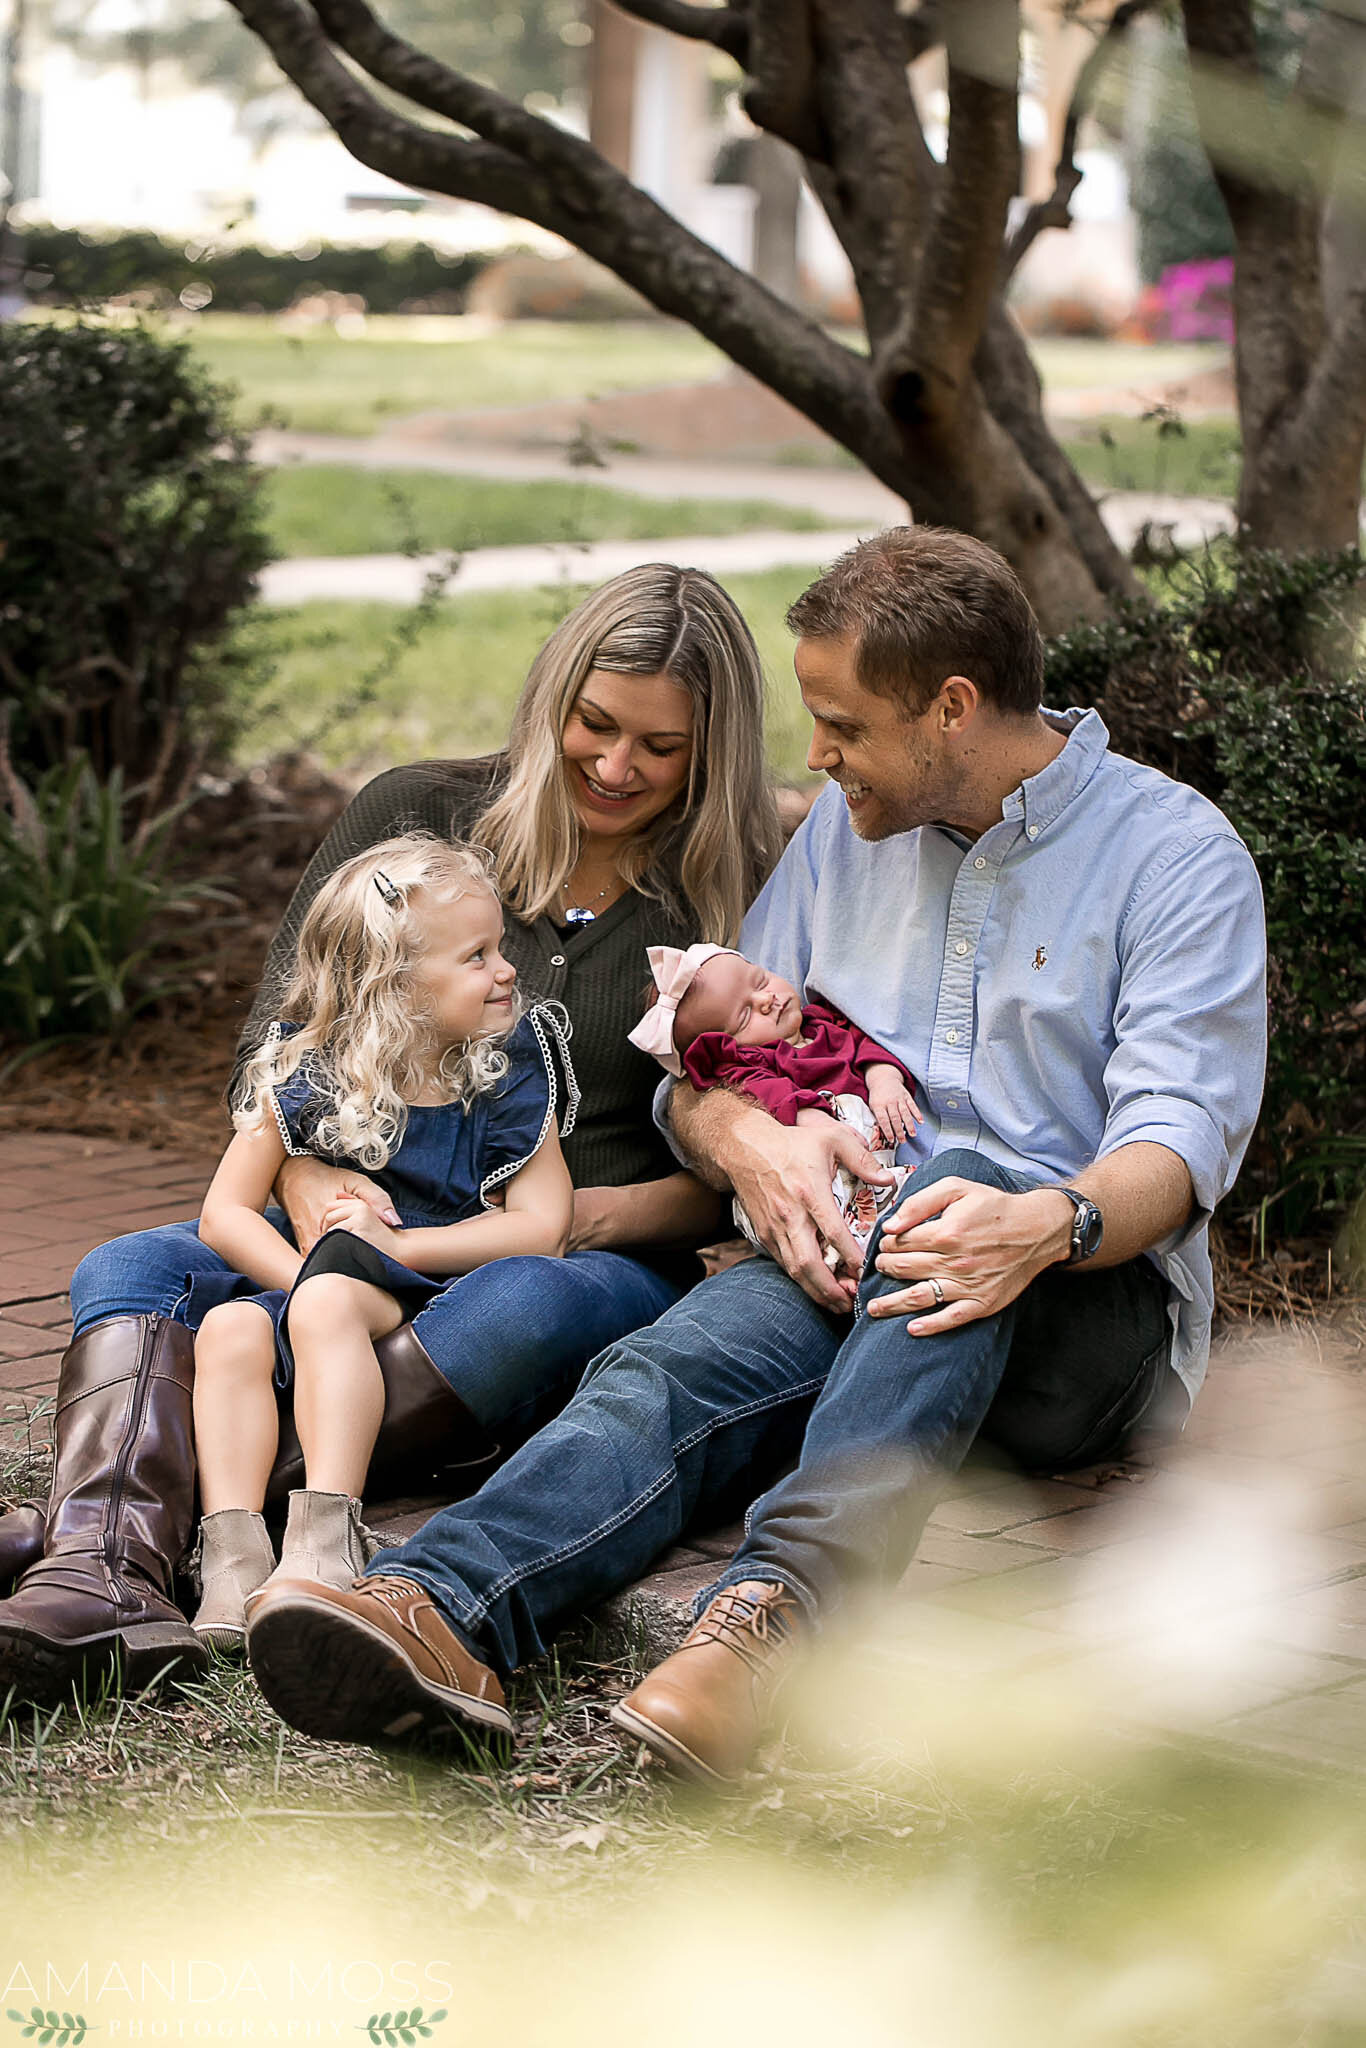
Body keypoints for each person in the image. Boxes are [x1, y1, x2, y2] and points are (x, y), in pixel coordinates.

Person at [242, 526, 1267, 1778]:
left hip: (1077, 1301)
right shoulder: (848, 835)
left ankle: (767, 1624)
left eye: (839, 722)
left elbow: (1179, 1141)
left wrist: (1043, 1224)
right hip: (850, 1258)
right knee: (661, 1375)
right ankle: (435, 1606)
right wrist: (743, 1138)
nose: (815, 753)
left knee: (964, 1188)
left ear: (949, 708)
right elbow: (698, 1064)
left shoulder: (1174, 857)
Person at [0, 564, 779, 1705]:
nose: (616, 768)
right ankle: (101, 1570)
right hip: (353, 1229)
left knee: (524, 1303)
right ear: (550, 697)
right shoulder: (414, 817)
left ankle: (206, 1514)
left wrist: (565, 1222)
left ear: (711, 751)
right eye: (594, 725)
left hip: (580, 1256)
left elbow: (741, 1156)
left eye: (660, 749)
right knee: (132, 1266)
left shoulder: (735, 895)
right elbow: (282, 1034)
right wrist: (315, 1186)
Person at [188, 834, 576, 1652]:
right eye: (478, 955)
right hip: (331, 1286)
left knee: (328, 1302)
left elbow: (544, 1226)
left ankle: (326, 1539)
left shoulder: (504, 1064)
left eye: (498, 947)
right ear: (393, 988)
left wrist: (388, 1253)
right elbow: (223, 1214)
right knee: (229, 1328)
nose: (507, 968)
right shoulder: (306, 1064)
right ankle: (230, 1553)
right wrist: (307, 1284)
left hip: (442, 1284)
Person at [627, 941, 922, 1273]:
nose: (767, 1001)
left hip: (873, 1167)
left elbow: (866, 1042)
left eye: (761, 981)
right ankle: (839, 1261)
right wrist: (807, 1116)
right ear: (723, 1045)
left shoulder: (825, 1022)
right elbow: (766, 1092)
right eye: (744, 1015)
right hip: (811, 1179)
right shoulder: (748, 1063)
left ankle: (868, 1255)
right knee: (807, 1215)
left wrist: (883, 1078)